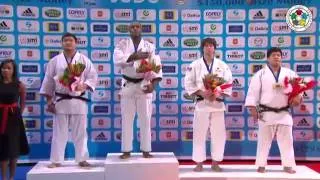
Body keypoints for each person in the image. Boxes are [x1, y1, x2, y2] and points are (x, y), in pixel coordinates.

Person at [40, 33, 98, 168]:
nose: (68, 43)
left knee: (81, 132)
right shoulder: (55, 61)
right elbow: (48, 81)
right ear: (61, 43)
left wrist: (84, 85)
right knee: (59, 133)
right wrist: (49, 101)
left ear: (76, 42)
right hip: (61, 100)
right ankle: (56, 160)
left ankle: (82, 159)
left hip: (79, 100)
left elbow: (93, 76)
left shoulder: (84, 60)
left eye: (70, 40)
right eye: (65, 40)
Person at [245, 47, 301, 174]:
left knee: (287, 141)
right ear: (268, 58)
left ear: (281, 58)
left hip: (284, 112)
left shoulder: (289, 73)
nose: (276, 57)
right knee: (264, 141)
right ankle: (261, 165)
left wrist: (298, 96)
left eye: (279, 55)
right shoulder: (260, 74)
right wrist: (253, 109)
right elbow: (253, 93)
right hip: (266, 112)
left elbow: (300, 88)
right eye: (274, 55)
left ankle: (288, 165)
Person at [113, 22, 162, 159]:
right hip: (128, 84)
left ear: (141, 29)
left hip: (144, 84)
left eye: (138, 26)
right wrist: (135, 56)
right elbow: (117, 60)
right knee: (127, 119)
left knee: (145, 119)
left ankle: (146, 150)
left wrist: (153, 85)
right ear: (129, 30)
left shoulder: (149, 46)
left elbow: (156, 65)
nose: (135, 29)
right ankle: (126, 150)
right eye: (132, 27)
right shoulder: (122, 45)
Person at [184, 38, 232, 172]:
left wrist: (218, 92)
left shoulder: (222, 65)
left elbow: (228, 82)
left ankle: (215, 162)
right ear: (202, 48)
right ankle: (199, 162)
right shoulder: (194, 65)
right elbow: (188, 82)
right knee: (199, 134)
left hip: (217, 104)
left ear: (215, 48)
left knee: (219, 135)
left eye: (211, 46)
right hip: (202, 104)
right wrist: (202, 93)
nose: (209, 48)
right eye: (206, 46)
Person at [0, 59, 29, 180]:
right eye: (3, 68)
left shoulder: (19, 85)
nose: (5, 70)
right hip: (0, 118)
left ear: (13, 70)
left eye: (8, 68)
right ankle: (4, 178)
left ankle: (12, 177)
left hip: (14, 119)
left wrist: (17, 115)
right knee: (2, 151)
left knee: (13, 150)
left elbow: (22, 104)